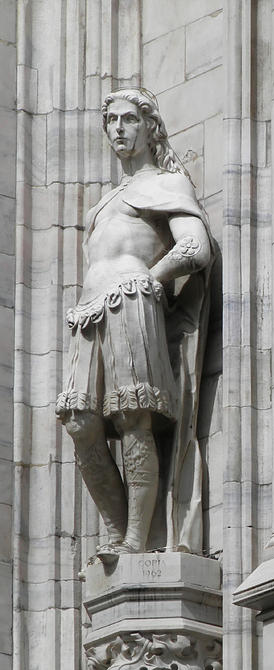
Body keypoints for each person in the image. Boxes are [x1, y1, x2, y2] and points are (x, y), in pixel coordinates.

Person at [56, 88, 212, 562]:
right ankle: (115, 528)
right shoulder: (101, 206)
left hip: (133, 300)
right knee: (80, 422)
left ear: (149, 127)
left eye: (128, 119)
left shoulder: (166, 185)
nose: (118, 129)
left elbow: (195, 249)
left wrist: (150, 278)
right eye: (112, 121)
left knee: (131, 417)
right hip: (88, 310)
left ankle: (132, 543)